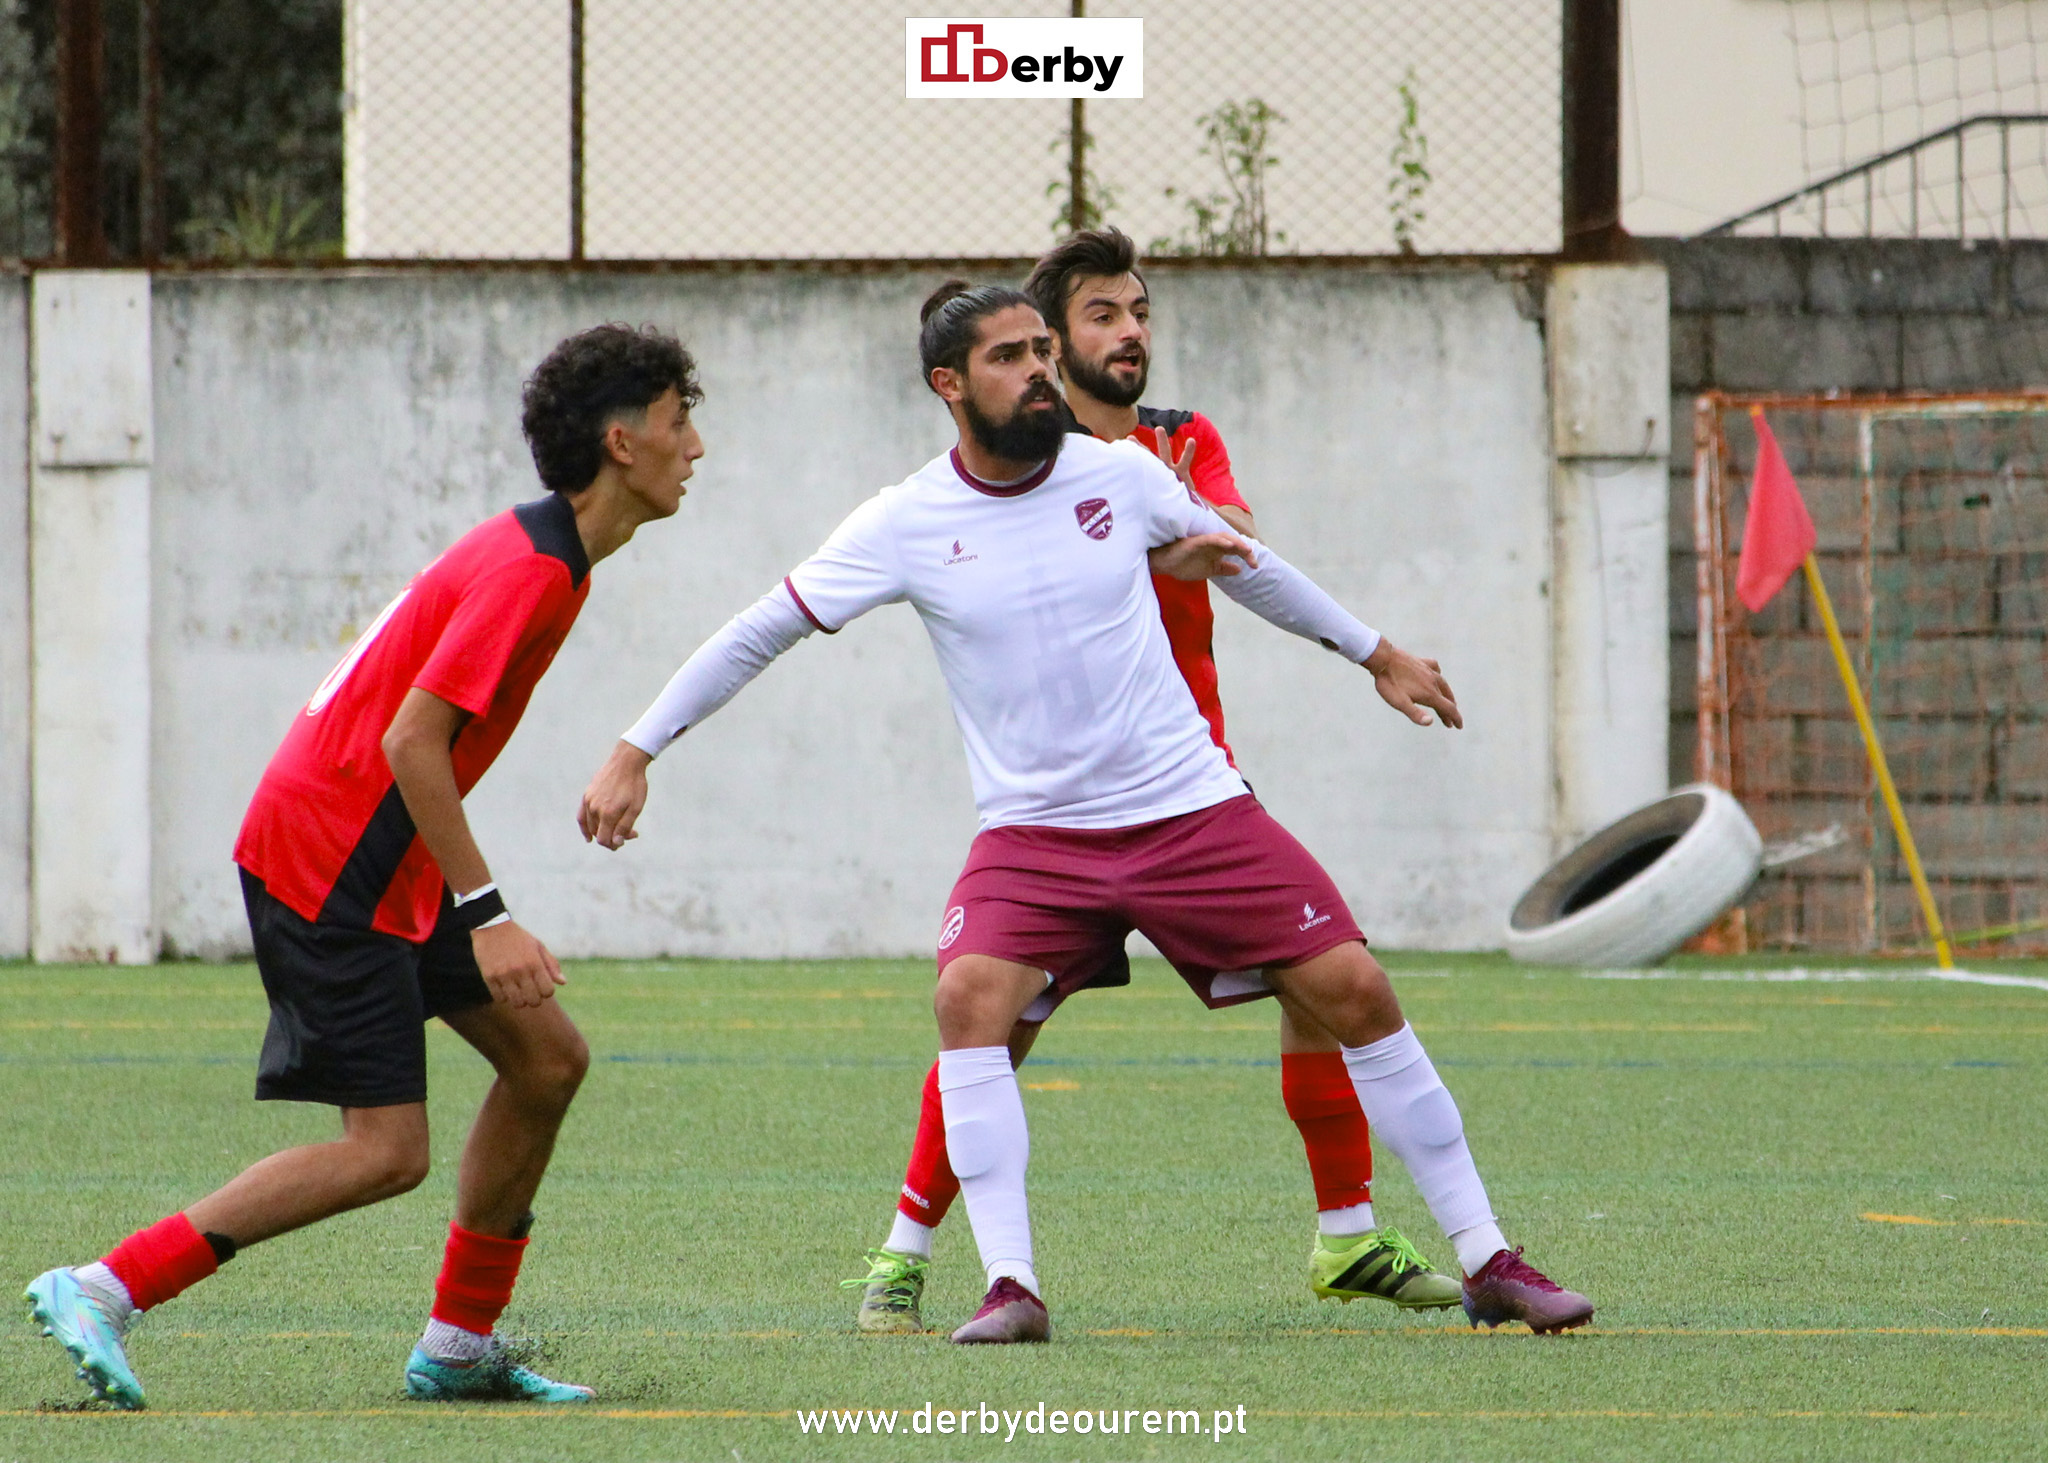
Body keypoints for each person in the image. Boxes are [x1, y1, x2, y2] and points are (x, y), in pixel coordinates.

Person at [580, 284, 1593, 1344]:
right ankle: (1009, 1285)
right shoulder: (904, 519)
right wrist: (634, 749)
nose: (1036, 372)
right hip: (1033, 837)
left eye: (1038, 350)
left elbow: (1252, 570)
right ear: (948, 383)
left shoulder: (1120, 473)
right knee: (969, 998)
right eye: (1008, 357)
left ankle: (1486, 1257)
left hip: (1186, 809)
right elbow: (756, 631)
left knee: (1355, 986)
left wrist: (1376, 653)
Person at [23, 324, 706, 1408]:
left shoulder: (548, 556)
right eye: (680, 420)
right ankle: (107, 1283)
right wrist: (489, 911)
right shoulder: (531, 568)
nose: (696, 446)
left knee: (544, 1058)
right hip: (328, 854)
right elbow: (409, 741)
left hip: (370, 850)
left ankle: (457, 1343)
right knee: (385, 1149)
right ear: (621, 441)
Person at [845, 228, 1459, 1336]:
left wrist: (1188, 532)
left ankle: (1347, 1231)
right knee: (992, 1023)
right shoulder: (1025, 457)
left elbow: (1232, 542)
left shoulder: (1171, 442)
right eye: (1099, 317)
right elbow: (1030, 559)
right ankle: (905, 1250)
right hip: (1065, 803)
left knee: (1326, 985)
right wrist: (1144, 537)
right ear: (1043, 344)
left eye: (1138, 313)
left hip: (1190, 781)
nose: (1127, 333)